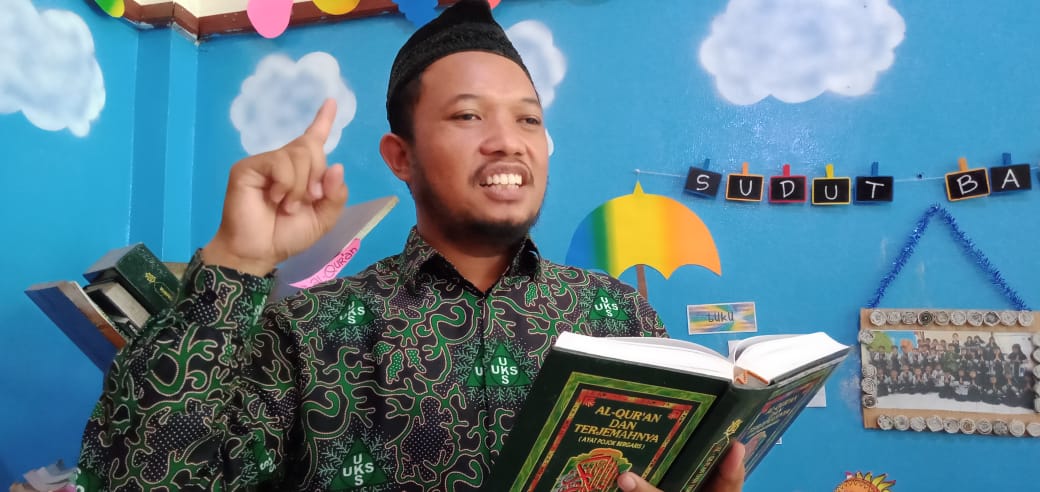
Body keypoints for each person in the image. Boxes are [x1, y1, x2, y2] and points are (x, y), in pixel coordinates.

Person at [73, 1, 745, 491]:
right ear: (401, 156)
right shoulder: (306, 334)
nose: (507, 141)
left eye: (528, 119)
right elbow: (141, 478)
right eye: (468, 115)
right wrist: (236, 261)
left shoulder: (620, 318)